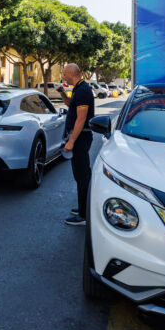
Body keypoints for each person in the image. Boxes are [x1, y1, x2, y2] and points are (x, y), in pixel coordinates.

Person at [58, 63, 95, 226]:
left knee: (82, 176)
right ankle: (83, 208)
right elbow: (70, 105)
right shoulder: (78, 89)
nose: (63, 76)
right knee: (81, 175)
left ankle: (83, 216)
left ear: (71, 74)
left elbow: (81, 118)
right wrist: (62, 94)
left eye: (64, 73)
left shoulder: (83, 90)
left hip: (81, 138)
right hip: (79, 138)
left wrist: (71, 141)